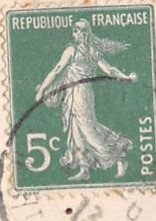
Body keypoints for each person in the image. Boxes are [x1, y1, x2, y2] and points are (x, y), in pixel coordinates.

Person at [34, 19, 137, 182]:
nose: (79, 33)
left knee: (87, 128)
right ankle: (84, 169)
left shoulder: (86, 50)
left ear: (87, 33)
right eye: (76, 30)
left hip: (82, 93)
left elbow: (108, 69)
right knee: (76, 129)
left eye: (82, 30)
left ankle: (118, 155)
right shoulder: (74, 49)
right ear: (73, 32)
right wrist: (126, 77)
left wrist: (126, 77)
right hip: (72, 92)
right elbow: (57, 70)